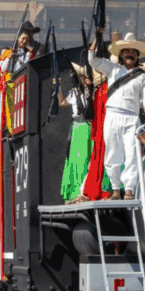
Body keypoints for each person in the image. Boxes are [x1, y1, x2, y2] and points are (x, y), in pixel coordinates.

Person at [88, 31, 145, 200]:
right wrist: (96, 39)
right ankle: (115, 190)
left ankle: (129, 189)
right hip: (112, 116)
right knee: (112, 153)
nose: (130, 54)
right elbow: (93, 60)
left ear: (137, 56)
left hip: (132, 119)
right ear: (121, 54)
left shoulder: (142, 76)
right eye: (127, 51)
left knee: (132, 154)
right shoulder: (112, 69)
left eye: (134, 52)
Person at [56, 63, 99, 202]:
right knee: (77, 160)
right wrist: (58, 87)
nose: (84, 78)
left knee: (90, 159)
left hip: (91, 126)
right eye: (82, 76)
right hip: (78, 127)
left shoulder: (95, 91)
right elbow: (62, 103)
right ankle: (75, 192)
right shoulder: (75, 92)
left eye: (86, 76)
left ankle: (88, 191)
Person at [0, 21, 40, 134]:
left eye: (27, 39)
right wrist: (9, 58)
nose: (24, 41)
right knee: (9, 108)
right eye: (23, 38)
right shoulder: (9, 52)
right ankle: (10, 130)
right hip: (10, 82)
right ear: (18, 38)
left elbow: (26, 67)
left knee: (21, 107)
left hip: (21, 81)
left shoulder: (28, 54)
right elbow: (2, 69)